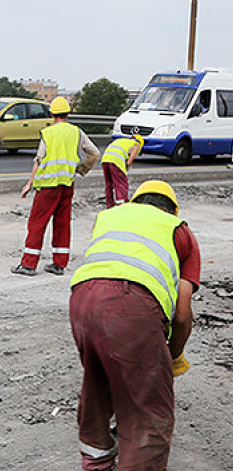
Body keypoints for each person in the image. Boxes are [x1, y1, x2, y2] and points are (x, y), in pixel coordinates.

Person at [69, 180, 200, 470]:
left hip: (81, 301)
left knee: (97, 383)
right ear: (173, 209)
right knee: (148, 411)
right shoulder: (179, 229)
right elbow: (182, 314)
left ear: (137, 200)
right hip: (132, 306)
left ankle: (97, 463)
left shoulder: (110, 216)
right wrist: (174, 356)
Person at [11, 97, 100, 276]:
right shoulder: (77, 132)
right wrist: (81, 169)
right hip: (67, 184)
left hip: (47, 186)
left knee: (37, 223)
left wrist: (29, 184)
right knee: (62, 223)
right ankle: (59, 264)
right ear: (67, 113)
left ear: (52, 114)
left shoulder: (48, 133)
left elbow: (39, 159)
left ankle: (29, 264)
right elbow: (95, 153)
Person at [101, 135, 144, 208]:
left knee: (109, 184)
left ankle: (109, 204)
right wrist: (126, 167)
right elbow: (129, 162)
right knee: (121, 184)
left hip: (105, 159)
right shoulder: (137, 146)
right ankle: (121, 205)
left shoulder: (122, 141)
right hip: (116, 161)